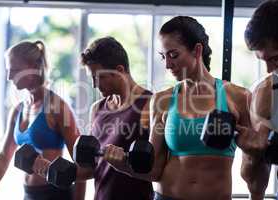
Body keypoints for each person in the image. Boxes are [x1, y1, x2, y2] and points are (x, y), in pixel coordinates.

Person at [102, 16, 251, 200]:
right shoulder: (162, 101)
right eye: (163, 56)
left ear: (197, 50)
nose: (167, 64)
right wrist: (123, 164)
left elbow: (254, 163)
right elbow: (154, 170)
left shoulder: (237, 97)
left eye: (173, 55)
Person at [0, 40, 87, 200]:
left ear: (32, 69)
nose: (9, 77)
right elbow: (4, 157)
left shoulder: (58, 108)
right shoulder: (17, 110)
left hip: (55, 194)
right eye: (8, 71)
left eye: (15, 70)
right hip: (28, 194)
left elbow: (81, 163)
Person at [80, 36, 153, 200]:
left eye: (99, 77)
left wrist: (124, 164)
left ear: (120, 70)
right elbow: (93, 167)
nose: (94, 85)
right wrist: (47, 169)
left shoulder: (150, 105)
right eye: (92, 78)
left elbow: (159, 169)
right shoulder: (97, 108)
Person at [239, 1, 278, 200]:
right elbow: (255, 184)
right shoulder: (274, 89)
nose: (270, 70)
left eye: (276, 58)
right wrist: (253, 153)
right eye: (263, 60)